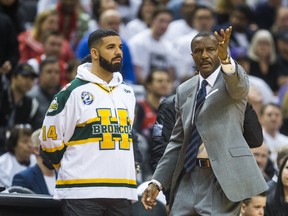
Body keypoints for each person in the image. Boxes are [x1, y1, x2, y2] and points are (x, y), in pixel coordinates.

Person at [141, 26, 268, 215]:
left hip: (222, 179)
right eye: (199, 51)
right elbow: (177, 141)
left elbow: (238, 86)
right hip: (188, 175)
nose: (205, 55)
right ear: (192, 56)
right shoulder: (184, 90)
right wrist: (157, 181)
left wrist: (226, 59)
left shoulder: (232, 79)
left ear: (220, 51)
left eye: (211, 49)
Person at [40, 29, 137, 215]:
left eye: (120, 47)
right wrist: (71, 168)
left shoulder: (127, 92)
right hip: (82, 192)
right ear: (94, 53)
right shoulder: (72, 92)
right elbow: (49, 140)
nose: (118, 52)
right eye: (111, 47)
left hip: (122, 190)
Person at [12, 128, 56, 195]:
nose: (57, 148)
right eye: (51, 144)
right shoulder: (23, 179)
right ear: (37, 150)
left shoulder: (65, 177)